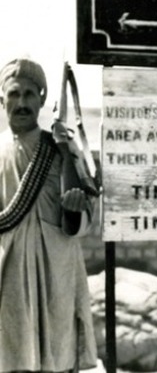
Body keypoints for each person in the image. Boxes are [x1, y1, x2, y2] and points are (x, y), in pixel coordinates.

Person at [0, 58, 98, 372]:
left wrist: (74, 207)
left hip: (57, 271)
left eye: (30, 94)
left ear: (42, 99)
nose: (22, 102)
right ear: (2, 99)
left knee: (59, 356)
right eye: (14, 94)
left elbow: (79, 222)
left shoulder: (61, 148)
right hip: (9, 271)